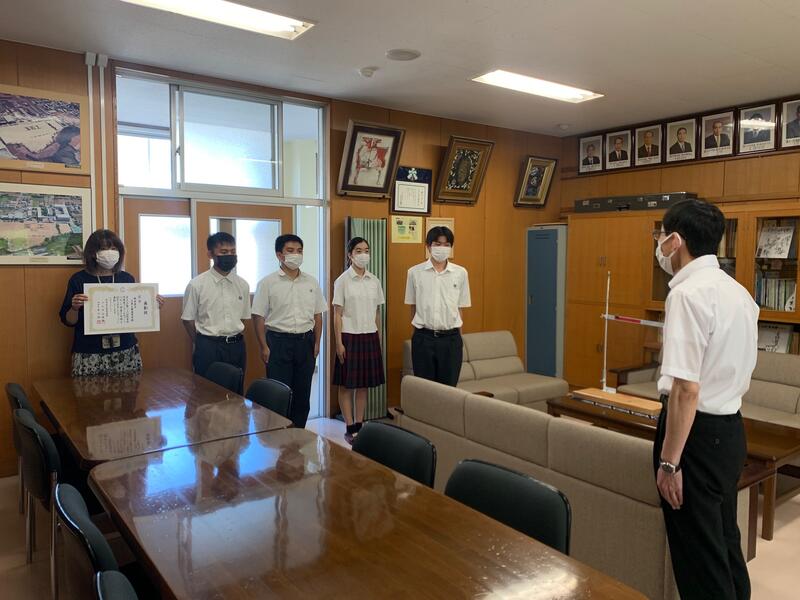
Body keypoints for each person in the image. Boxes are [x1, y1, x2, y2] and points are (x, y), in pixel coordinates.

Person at [652, 199, 758, 600]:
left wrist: (669, 462)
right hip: (730, 431)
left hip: (694, 436)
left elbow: (686, 388)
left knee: (699, 560)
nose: (660, 244)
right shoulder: (739, 292)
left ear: (675, 241)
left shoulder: (686, 294)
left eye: (662, 237)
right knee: (725, 541)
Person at [59, 229, 164, 377]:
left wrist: (153, 305)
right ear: (93, 253)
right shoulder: (78, 280)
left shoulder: (126, 279)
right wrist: (75, 308)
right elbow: (68, 321)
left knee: (128, 390)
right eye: (104, 248)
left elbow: (136, 314)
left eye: (114, 248)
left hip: (125, 349)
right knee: (87, 392)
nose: (110, 252)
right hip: (89, 352)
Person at [252, 234, 327, 428]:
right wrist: (263, 346)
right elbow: (258, 316)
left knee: (303, 393)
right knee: (279, 393)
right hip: (278, 343)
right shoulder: (267, 283)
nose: (296, 254)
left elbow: (318, 314)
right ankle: (279, 434)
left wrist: (317, 342)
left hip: (305, 342)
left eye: (299, 251)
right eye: (290, 251)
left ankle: (298, 432)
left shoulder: (311, 282)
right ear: (279, 255)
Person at [332, 237, 385, 445]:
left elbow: (377, 312)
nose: (363, 254)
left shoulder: (374, 280)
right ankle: (349, 426)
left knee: (363, 385)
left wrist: (378, 337)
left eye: (366, 250)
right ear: (350, 255)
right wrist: (338, 343)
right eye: (358, 250)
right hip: (349, 336)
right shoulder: (342, 280)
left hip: (369, 335)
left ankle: (360, 424)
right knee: (346, 385)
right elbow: (337, 314)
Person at [405, 226, 471, 386]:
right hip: (423, 338)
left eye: (446, 244)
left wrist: (459, 339)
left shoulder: (461, 273)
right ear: (428, 246)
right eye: (437, 244)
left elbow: (459, 308)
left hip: (451, 339)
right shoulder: (414, 272)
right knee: (425, 389)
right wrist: (416, 335)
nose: (442, 248)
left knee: (449, 390)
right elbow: (413, 306)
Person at [182, 232, 250, 378]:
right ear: (210, 254)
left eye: (233, 252)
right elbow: (187, 320)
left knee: (235, 388)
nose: (229, 256)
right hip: (208, 346)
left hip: (236, 346)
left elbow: (243, 318)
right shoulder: (197, 284)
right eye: (224, 252)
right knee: (206, 389)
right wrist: (200, 342)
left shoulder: (243, 284)